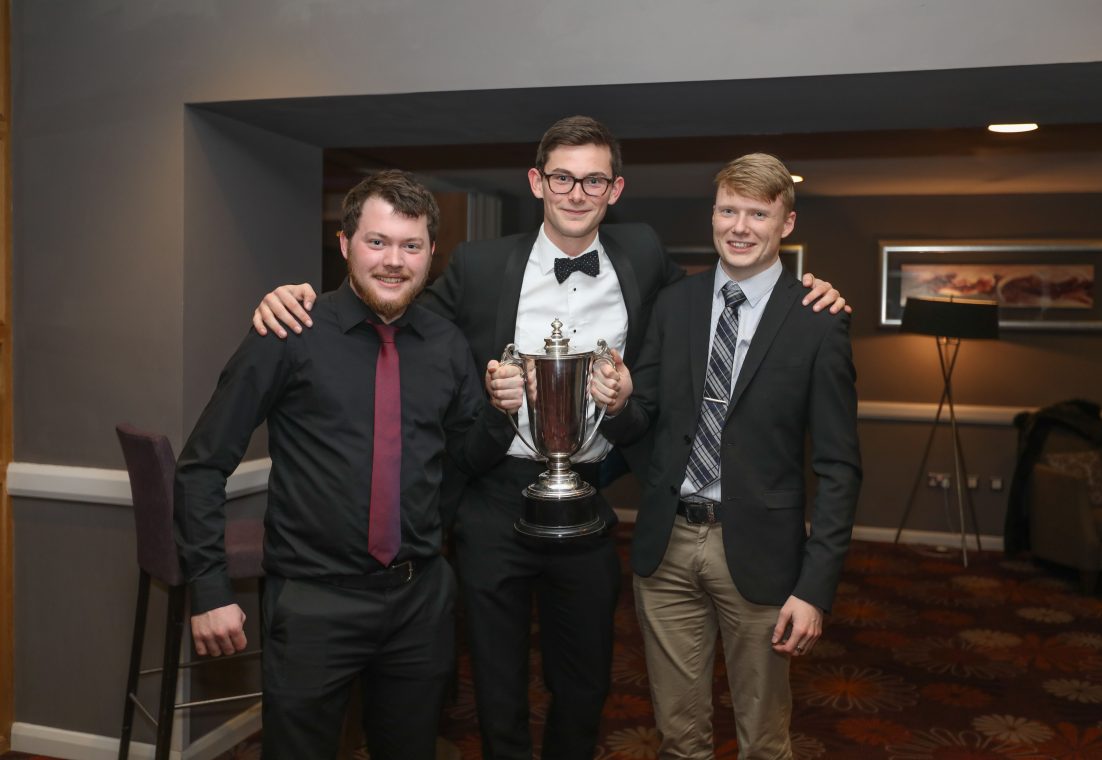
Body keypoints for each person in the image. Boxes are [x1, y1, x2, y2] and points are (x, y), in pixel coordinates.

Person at [249, 117, 848, 760]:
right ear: (537, 182)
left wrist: (801, 292)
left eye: (593, 180)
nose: (576, 193)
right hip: (493, 501)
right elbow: (392, 304)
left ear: (615, 190)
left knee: (585, 684)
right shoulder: (481, 265)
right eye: (562, 177)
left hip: (588, 501)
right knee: (496, 684)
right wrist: (306, 301)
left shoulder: (642, 254)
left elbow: (721, 292)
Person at [174, 170, 516, 760]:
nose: (394, 261)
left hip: (418, 600)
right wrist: (209, 589)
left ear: (432, 252)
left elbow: (464, 462)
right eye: (377, 242)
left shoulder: (447, 344)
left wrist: (501, 413)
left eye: (411, 245)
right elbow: (202, 465)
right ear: (345, 244)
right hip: (313, 602)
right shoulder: (288, 331)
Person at [599, 153, 862, 759]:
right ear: (712, 215)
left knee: (764, 742)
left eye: (757, 214)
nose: (739, 227)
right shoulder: (676, 304)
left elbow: (839, 468)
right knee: (678, 739)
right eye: (727, 211)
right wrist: (618, 404)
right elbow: (643, 423)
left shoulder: (818, 321)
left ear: (786, 223)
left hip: (763, 555)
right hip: (666, 548)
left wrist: (815, 588)